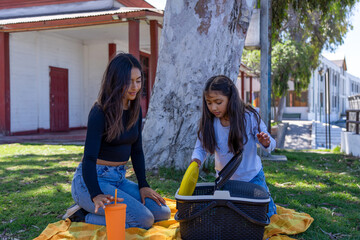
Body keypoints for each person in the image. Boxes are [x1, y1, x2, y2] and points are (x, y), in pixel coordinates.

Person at [63, 53, 171, 228]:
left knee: (162, 212)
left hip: (118, 179)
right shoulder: (100, 112)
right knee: (143, 219)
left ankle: (90, 212)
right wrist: (96, 194)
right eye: (129, 81)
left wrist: (143, 185)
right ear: (116, 80)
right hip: (91, 182)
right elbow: (89, 159)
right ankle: (81, 215)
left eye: (138, 80)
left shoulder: (135, 109)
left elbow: (136, 151)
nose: (135, 87)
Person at [191, 75, 277, 218]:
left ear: (231, 99)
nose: (213, 107)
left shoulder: (249, 117)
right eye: (209, 102)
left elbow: (271, 144)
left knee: (265, 216)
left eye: (218, 102)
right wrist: (196, 160)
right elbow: (200, 148)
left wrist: (266, 142)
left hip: (252, 178)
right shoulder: (210, 122)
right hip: (225, 181)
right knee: (229, 217)